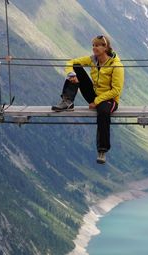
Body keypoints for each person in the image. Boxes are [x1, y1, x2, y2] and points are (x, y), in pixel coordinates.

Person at [52, 35, 124, 164]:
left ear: (105, 47)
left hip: (110, 99)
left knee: (103, 112)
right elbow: (71, 62)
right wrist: (71, 74)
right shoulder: (93, 60)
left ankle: (102, 150)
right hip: (94, 95)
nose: (94, 48)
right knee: (77, 67)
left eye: (97, 45)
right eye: (93, 45)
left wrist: (96, 101)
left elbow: (116, 90)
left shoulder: (116, 65)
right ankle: (67, 101)